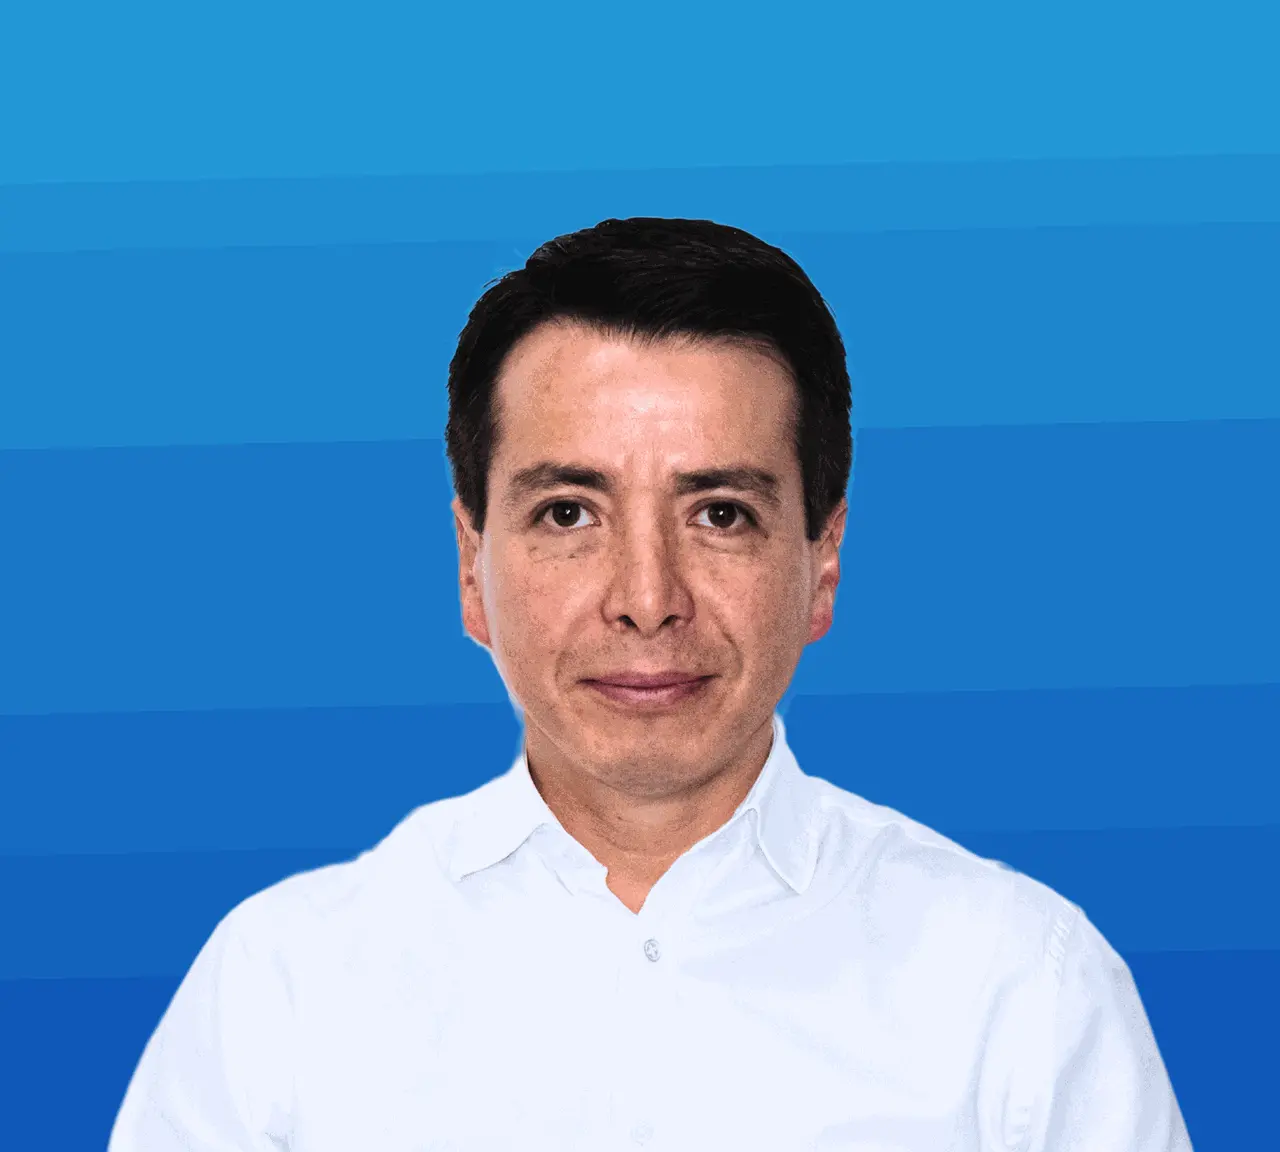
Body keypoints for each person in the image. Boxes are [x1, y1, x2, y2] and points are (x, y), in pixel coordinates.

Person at [109, 217, 1192, 1151]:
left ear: (821, 562)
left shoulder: (1022, 988)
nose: (645, 597)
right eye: (567, 513)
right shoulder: (281, 990)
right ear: (471, 568)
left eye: (719, 513)